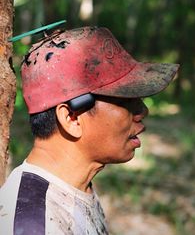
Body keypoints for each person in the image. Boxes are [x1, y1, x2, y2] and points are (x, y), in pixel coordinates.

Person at [0, 26, 179, 234]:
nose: (143, 111)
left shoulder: (74, 188)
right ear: (72, 118)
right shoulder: (33, 224)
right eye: (126, 100)